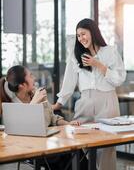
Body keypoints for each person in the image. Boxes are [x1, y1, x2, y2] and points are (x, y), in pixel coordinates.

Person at [52, 18, 126, 170]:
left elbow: (119, 79)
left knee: (107, 148)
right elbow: (69, 82)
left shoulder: (110, 51)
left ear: (93, 32)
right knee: (79, 141)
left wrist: (97, 64)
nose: (81, 38)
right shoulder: (75, 55)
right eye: (78, 35)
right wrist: (58, 104)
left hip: (107, 102)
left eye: (83, 34)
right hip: (84, 103)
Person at [0, 65, 80, 127]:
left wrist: (68, 124)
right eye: (31, 76)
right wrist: (34, 103)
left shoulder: (36, 94)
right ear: (22, 85)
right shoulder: (10, 107)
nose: (34, 78)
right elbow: (20, 128)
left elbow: (52, 118)